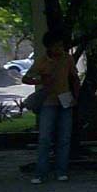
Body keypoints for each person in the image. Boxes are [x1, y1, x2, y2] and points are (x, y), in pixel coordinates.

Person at [23, 32, 79, 184]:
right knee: (45, 138)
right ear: (49, 47)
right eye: (56, 46)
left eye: (61, 46)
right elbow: (26, 78)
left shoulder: (67, 59)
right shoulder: (42, 61)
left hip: (65, 100)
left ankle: (61, 171)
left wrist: (75, 97)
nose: (59, 49)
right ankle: (41, 172)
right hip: (48, 101)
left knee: (64, 137)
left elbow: (74, 78)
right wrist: (40, 80)